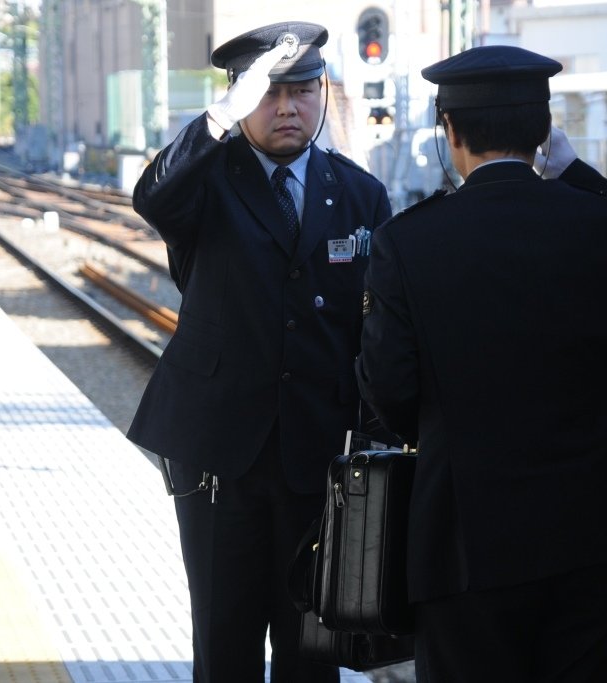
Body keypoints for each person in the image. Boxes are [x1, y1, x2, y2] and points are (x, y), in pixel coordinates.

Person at [354, 45, 607, 683]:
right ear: (544, 132)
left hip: (463, 535)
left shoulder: (409, 242)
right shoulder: (601, 226)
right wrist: (581, 176)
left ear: (448, 131)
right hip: (584, 530)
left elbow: (388, 388)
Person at [127, 21, 391, 683]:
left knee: (311, 651)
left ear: (321, 94)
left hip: (318, 462)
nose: (286, 108)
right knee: (225, 642)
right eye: (268, 94)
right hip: (220, 460)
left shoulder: (360, 195)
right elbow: (151, 195)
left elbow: (380, 331)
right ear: (242, 100)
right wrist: (216, 117)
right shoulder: (206, 184)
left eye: (302, 90)